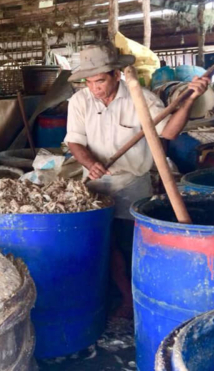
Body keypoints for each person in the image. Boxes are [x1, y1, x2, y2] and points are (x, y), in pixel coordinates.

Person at [64, 42, 209, 318]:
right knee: (98, 242)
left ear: (117, 75)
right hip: (94, 185)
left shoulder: (141, 99)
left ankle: (130, 302)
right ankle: (104, 295)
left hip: (131, 184)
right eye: (90, 81)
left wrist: (189, 100)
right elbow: (75, 141)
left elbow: (169, 133)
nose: (95, 88)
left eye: (100, 81)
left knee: (126, 243)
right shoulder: (80, 101)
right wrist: (90, 163)